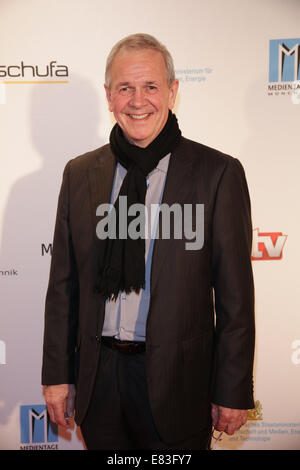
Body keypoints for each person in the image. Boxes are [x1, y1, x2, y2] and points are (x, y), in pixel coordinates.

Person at [42, 33, 255, 450]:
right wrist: (56, 374)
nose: (138, 100)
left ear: (173, 92)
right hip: (98, 380)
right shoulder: (79, 174)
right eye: (125, 88)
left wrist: (231, 389)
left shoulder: (217, 174)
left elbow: (235, 298)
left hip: (180, 383)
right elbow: (62, 287)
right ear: (109, 96)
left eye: (151, 86)